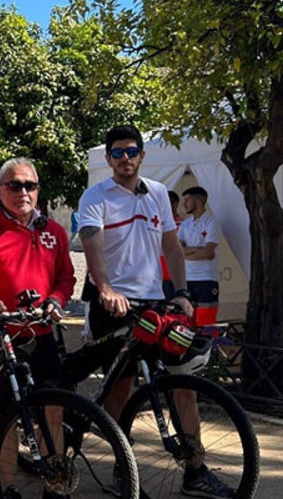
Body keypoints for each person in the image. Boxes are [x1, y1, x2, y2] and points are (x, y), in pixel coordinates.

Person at [77, 125, 234, 498]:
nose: (125, 158)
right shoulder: (95, 196)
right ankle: (121, 469)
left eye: (131, 151)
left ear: (142, 155)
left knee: (183, 384)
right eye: (117, 153)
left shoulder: (159, 193)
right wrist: (105, 289)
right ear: (109, 158)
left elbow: (172, 247)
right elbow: (92, 245)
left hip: (155, 305)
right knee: (121, 389)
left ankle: (195, 470)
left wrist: (180, 293)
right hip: (115, 305)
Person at [0, 157, 76, 498]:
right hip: (1, 334)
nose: (22, 192)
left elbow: (65, 277)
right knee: (6, 418)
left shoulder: (53, 231)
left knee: (53, 410)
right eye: (14, 185)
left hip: (41, 332)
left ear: (38, 191)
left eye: (29, 185)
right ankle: (7, 487)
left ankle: (53, 485)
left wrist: (56, 300)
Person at [180, 186, 220, 325]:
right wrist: (198, 249)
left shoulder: (211, 222)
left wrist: (187, 251)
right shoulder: (185, 224)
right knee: (187, 318)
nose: (184, 204)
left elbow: (208, 252)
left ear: (197, 202)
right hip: (187, 278)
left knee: (206, 319)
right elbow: (178, 251)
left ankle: (209, 346)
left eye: (187, 200)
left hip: (206, 278)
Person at [161, 190, 183, 300]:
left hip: (177, 276)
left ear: (175, 204)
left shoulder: (185, 225)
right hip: (159, 276)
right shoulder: (156, 224)